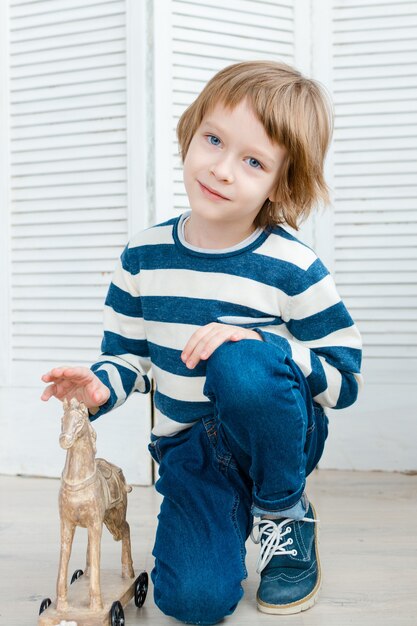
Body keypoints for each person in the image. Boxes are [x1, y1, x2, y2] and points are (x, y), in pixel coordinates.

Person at [41, 60, 363, 624]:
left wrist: (268, 346)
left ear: (280, 184)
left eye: (253, 161)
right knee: (191, 602)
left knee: (241, 363)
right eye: (214, 139)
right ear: (190, 132)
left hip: (274, 437)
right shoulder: (143, 257)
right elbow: (130, 359)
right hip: (191, 453)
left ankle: (284, 513)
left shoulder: (294, 267)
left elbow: (343, 380)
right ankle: (227, 517)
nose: (221, 169)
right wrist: (99, 386)